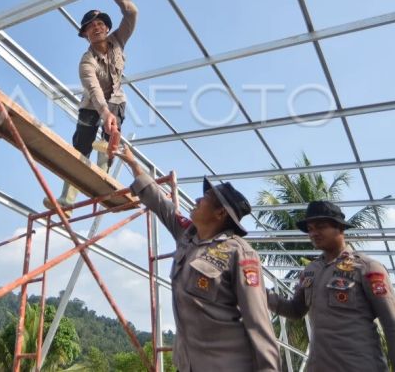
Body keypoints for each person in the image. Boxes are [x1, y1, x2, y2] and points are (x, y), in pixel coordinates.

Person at [117, 145, 280, 372]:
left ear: (220, 213)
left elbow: (258, 321)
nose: (196, 200)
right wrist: (133, 163)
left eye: (205, 198)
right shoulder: (187, 235)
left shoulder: (239, 253)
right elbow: (160, 204)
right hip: (190, 364)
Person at [266, 201, 395, 372]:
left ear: (340, 228)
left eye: (320, 226)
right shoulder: (310, 271)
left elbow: (392, 325)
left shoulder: (367, 268)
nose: (313, 233)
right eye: (310, 228)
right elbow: (295, 310)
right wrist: (259, 293)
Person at [45, 0, 137, 214]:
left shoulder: (118, 41)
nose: (96, 28)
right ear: (85, 35)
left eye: (99, 24)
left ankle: (102, 184)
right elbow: (94, 90)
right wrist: (104, 113)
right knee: (81, 146)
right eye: (90, 27)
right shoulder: (86, 62)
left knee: (108, 143)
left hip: (116, 101)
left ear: (106, 28)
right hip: (92, 105)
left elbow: (132, 13)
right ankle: (67, 202)